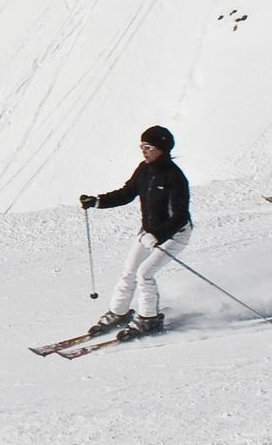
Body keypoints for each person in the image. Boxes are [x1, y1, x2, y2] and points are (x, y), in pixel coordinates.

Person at [79, 125, 192, 336]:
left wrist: (158, 235)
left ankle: (149, 319)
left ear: (162, 148)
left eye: (148, 147)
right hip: (148, 232)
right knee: (129, 272)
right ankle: (119, 312)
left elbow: (180, 217)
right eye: (142, 146)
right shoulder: (144, 169)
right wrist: (97, 202)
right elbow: (126, 193)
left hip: (174, 234)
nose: (144, 151)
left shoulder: (175, 177)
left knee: (144, 274)